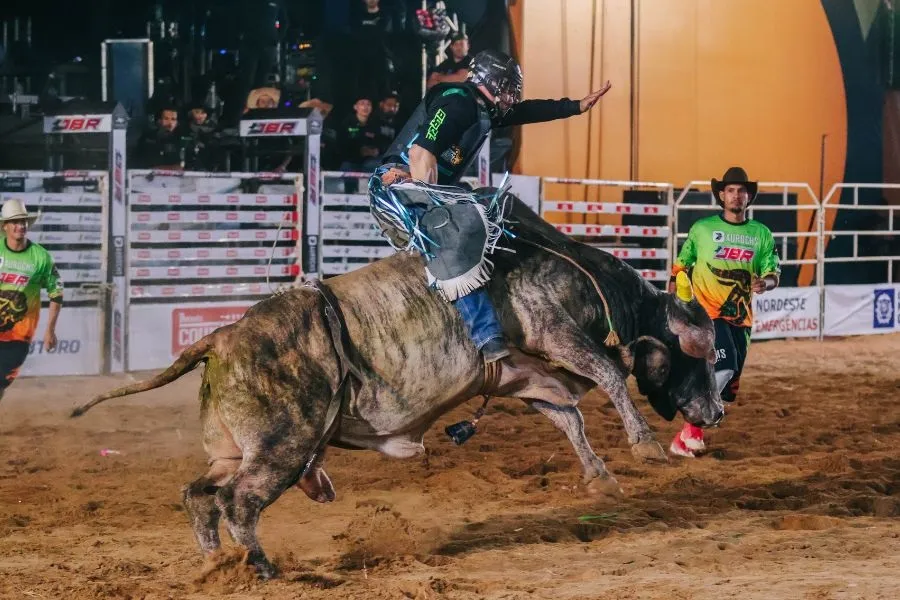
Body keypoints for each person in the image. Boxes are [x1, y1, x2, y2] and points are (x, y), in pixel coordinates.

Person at [369, 49, 611, 367]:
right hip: (398, 187)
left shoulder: (483, 106)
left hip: (429, 184)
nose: (513, 95)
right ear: (491, 82)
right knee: (452, 240)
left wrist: (575, 107)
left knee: (491, 207)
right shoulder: (458, 101)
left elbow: (527, 111)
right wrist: (427, 196)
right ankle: (486, 337)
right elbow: (420, 152)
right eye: (508, 87)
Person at [668, 167, 781, 458]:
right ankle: (692, 426)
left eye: (741, 190)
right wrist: (674, 296)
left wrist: (764, 283)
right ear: (721, 195)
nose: (736, 195)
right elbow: (682, 264)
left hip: (742, 317)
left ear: (748, 197)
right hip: (707, 312)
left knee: (729, 385)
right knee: (725, 364)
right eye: (730, 190)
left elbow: (773, 272)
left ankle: (683, 438)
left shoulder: (761, 234)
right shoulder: (702, 229)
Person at [0, 199, 63, 402]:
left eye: (23, 221)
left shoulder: (41, 257)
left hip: (19, 335)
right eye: (15, 222)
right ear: (5, 226)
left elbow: (56, 293)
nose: (21, 226)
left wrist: (50, 330)